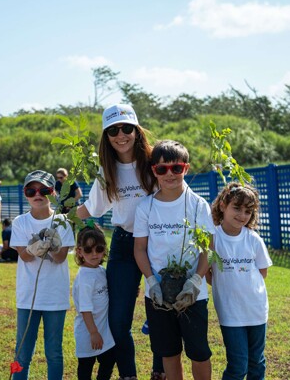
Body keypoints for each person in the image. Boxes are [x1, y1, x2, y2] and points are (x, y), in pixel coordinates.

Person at [76, 103, 163, 380]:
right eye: (113, 130)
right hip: (125, 245)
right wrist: (54, 222)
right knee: (117, 321)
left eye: (126, 128)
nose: (120, 134)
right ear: (106, 136)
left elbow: (177, 193)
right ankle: (129, 375)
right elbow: (90, 209)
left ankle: (160, 370)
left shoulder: (154, 162)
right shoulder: (107, 171)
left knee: (160, 314)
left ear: (136, 131)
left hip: (157, 243)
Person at [134, 140, 212, 380]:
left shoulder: (198, 205)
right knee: (168, 352)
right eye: (162, 169)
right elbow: (140, 249)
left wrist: (196, 280)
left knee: (198, 352)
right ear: (153, 171)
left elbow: (206, 250)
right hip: (158, 295)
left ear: (186, 168)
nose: (170, 174)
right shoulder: (146, 206)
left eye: (176, 168)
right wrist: (152, 282)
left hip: (192, 295)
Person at [9, 170, 75, 380]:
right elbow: (25, 257)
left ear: (53, 192)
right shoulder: (20, 222)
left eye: (44, 190)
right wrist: (36, 247)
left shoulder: (62, 221)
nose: (37, 194)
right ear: (25, 193)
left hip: (54, 297)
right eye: (31, 190)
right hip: (28, 297)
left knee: (54, 351)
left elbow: (61, 257)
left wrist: (53, 246)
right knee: (22, 352)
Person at [209, 182, 273, 380]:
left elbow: (262, 271)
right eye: (236, 208)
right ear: (222, 206)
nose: (242, 215)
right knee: (237, 365)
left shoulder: (254, 239)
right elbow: (207, 272)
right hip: (230, 313)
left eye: (248, 211)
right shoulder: (213, 239)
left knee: (257, 362)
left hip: (256, 311)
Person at [72, 225, 116, 380]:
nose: (94, 254)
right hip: (88, 333)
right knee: (85, 367)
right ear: (79, 251)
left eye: (99, 249)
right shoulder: (85, 278)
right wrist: (93, 333)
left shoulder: (100, 270)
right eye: (88, 250)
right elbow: (85, 309)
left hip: (104, 331)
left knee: (109, 360)